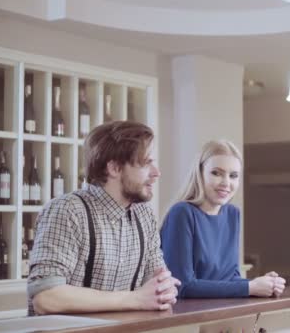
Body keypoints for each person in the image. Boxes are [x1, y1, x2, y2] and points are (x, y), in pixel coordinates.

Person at [27, 121, 180, 316]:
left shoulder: (144, 214)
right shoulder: (67, 211)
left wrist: (164, 291)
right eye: (146, 163)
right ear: (114, 168)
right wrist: (136, 298)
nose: (157, 173)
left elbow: (158, 286)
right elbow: (47, 298)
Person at [160, 139, 286, 298]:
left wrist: (264, 284)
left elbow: (230, 278)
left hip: (221, 313)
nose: (226, 183)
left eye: (233, 176)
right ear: (200, 174)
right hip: (183, 319)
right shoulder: (182, 213)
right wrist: (250, 287)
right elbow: (182, 287)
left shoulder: (232, 214)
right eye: (216, 173)